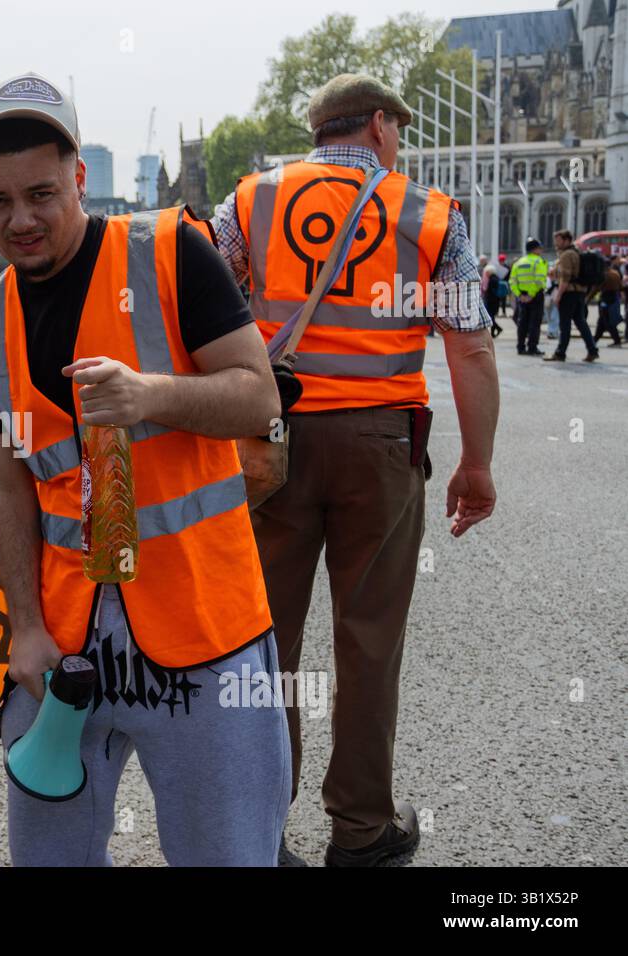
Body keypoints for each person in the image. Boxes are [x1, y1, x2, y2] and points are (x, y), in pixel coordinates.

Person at [0, 72, 289, 867]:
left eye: (42, 193)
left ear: (80, 176)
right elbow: (5, 481)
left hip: (205, 634)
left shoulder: (172, 252)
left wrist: (151, 394)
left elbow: (261, 402)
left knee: (228, 856)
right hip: (66, 649)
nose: (22, 220)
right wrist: (26, 628)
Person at [209, 73, 500, 866]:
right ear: (377, 126)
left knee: (267, 642)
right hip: (381, 441)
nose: (397, 142)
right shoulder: (428, 213)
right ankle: (362, 830)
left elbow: (195, 296)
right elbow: (468, 344)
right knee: (368, 639)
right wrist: (476, 465)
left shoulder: (250, 202)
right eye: (396, 130)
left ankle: (258, 828)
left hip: (270, 434)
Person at [545, 229, 599, 363]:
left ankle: (560, 353)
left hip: (569, 293)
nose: (556, 243)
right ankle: (592, 350)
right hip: (579, 292)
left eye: (558, 240)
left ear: (566, 240)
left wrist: (558, 296)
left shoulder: (566, 255)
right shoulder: (575, 252)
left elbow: (565, 278)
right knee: (580, 322)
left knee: (565, 324)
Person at [509, 238, 548, 357]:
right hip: (535, 296)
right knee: (535, 322)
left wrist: (520, 295)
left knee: (522, 322)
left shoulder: (518, 263)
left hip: (522, 296)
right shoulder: (539, 261)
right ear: (535, 249)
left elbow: (512, 281)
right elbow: (540, 280)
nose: (541, 250)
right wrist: (531, 295)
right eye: (540, 248)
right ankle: (532, 347)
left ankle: (520, 347)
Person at [593, 255, 623, 348]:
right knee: (602, 321)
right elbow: (620, 286)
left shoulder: (604, 275)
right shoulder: (615, 273)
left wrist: (587, 299)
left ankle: (616, 340)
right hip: (613, 298)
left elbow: (596, 289)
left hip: (605, 299)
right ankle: (593, 341)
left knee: (607, 322)